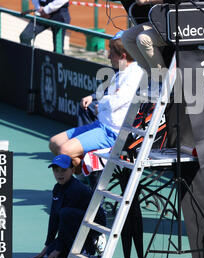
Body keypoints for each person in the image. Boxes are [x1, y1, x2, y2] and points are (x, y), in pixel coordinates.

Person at [49, 33, 144, 169]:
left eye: (111, 53)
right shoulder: (121, 72)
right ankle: (86, 172)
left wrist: (103, 103)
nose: (108, 56)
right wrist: (106, 101)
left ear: (122, 56)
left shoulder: (133, 75)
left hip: (112, 133)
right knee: (55, 143)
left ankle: (84, 180)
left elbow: (113, 102)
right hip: (101, 125)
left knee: (64, 151)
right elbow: (110, 99)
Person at [29, 154, 106, 258]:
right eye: (56, 170)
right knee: (51, 252)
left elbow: (65, 221)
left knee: (66, 214)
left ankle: (85, 249)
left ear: (72, 170)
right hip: (75, 223)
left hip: (94, 224)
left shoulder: (76, 189)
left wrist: (58, 249)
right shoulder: (57, 188)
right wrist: (48, 245)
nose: (59, 174)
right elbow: (54, 217)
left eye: (63, 170)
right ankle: (80, 245)